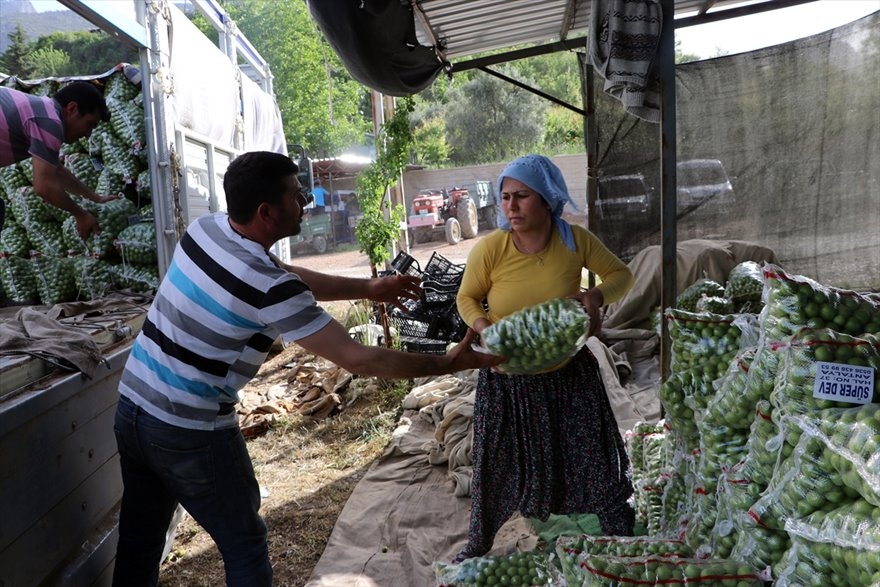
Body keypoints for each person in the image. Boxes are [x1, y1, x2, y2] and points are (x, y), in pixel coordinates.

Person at [111, 151, 504, 587]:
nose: (305, 204)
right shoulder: (267, 286)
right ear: (266, 212)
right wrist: (448, 363)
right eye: (297, 197)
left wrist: (370, 287)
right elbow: (359, 358)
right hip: (189, 428)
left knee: (140, 537)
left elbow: (286, 273)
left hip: (132, 406)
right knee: (244, 544)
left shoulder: (207, 231)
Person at [453, 154, 636, 562]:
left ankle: (619, 533)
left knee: (594, 458)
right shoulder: (491, 249)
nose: (511, 207)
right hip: (508, 377)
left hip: (567, 373)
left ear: (547, 199)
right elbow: (466, 297)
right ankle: (480, 542)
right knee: (496, 465)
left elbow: (622, 275)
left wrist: (594, 296)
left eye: (522, 196)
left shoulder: (575, 242)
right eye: (505, 197)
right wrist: (485, 329)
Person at [0, 80, 117, 238]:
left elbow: (57, 172)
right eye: (89, 124)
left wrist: (96, 198)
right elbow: (44, 187)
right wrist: (81, 215)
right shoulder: (49, 122)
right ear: (72, 108)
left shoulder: (44, 111)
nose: (88, 134)